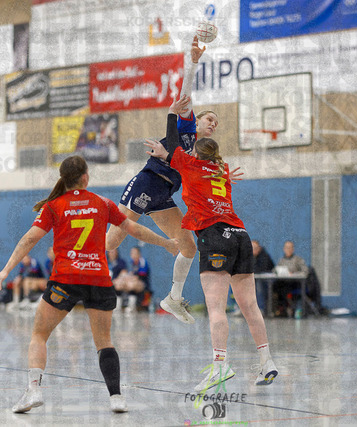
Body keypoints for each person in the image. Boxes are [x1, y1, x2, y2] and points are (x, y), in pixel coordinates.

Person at [0, 155, 178, 414]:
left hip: (65, 280)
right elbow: (133, 229)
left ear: (63, 179)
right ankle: (116, 398)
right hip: (98, 280)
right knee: (104, 341)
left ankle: (33, 390)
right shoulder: (102, 203)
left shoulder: (53, 206)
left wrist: (5, 270)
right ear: (85, 178)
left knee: (39, 335)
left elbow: (29, 239)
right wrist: (166, 242)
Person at [145, 96, 277, 392]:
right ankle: (266, 361)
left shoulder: (191, 164)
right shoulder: (222, 171)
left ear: (195, 152)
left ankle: (220, 367)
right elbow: (197, 157)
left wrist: (171, 114)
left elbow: (173, 144)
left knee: (216, 308)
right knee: (250, 306)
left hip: (215, 235)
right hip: (240, 235)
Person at [106, 36, 232, 325]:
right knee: (114, 240)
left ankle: (173, 298)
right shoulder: (186, 128)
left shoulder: (203, 153)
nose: (213, 124)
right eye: (209, 119)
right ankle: (78, 265)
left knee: (188, 246)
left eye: (216, 123)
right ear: (196, 120)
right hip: (148, 181)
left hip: (165, 195)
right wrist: (193, 63)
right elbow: (184, 95)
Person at [273, 240, 309, 317]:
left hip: (295, 283)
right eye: (286, 248)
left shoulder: (298, 259)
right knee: (275, 286)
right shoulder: (281, 260)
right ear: (284, 249)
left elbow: (305, 271)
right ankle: (280, 310)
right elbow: (275, 270)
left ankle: (291, 309)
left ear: (293, 249)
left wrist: (294, 274)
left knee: (285, 289)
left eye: (290, 248)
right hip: (284, 282)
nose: (288, 249)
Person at [113, 247, 150, 312]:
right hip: (133, 281)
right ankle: (118, 305)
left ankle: (131, 306)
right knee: (119, 284)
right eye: (132, 253)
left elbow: (140, 277)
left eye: (135, 253)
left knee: (131, 284)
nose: (133, 255)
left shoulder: (142, 262)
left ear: (139, 254)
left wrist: (129, 279)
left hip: (143, 285)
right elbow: (129, 274)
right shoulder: (132, 263)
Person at [251, 240, 275, 312]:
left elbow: (261, 269)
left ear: (259, 248)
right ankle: (242, 308)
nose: (253, 250)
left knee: (259, 284)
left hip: (266, 279)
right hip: (254, 278)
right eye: (251, 248)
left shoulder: (264, 256)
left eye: (255, 248)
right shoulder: (248, 256)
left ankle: (260, 308)